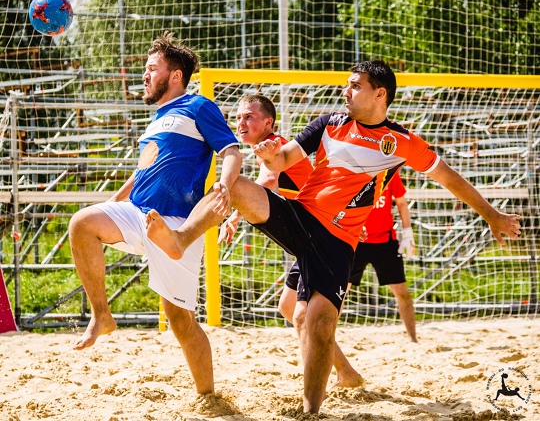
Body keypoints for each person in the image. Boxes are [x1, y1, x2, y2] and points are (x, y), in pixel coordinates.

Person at [144, 60, 521, 414]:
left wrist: (492, 215)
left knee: (316, 322)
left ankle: (312, 410)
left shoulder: (402, 142)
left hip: (338, 240)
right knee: (237, 186)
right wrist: (272, 154)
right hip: (302, 218)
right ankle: (181, 238)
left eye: (355, 86)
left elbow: (450, 178)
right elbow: (282, 161)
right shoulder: (329, 123)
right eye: (347, 85)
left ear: (380, 94)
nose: (346, 91)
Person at [68, 32, 242, 396]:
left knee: (181, 321)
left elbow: (230, 150)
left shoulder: (198, 106)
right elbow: (142, 171)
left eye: (152, 68)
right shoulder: (157, 120)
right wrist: (113, 202)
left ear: (175, 76)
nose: (144, 75)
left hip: (177, 224)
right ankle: (102, 315)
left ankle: (208, 397)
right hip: (137, 213)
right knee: (82, 223)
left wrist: (225, 184)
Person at [218, 94, 364, 388]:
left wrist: (233, 217)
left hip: (334, 239)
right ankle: (346, 373)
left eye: (249, 117)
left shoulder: (276, 146)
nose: (241, 123)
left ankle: (316, 386)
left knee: (305, 317)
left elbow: (268, 181)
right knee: (288, 307)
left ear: (268, 122)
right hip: (316, 237)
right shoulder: (271, 148)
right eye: (238, 117)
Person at [351, 170, 418, 342]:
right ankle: (330, 337)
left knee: (402, 291)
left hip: (385, 241)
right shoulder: (351, 170)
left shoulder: (389, 170)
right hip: (356, 240)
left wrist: (408, 233)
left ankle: (413, 339)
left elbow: (402, 203)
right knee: (339, 292)